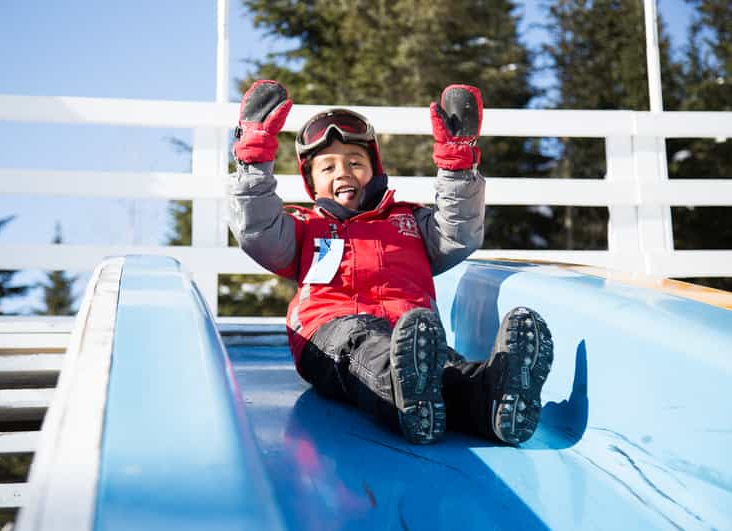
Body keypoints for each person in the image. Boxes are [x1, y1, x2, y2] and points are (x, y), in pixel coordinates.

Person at [229, 79, 553, 445]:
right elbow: (257, 232)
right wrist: (254, 161)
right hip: (328, 334)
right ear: (311, 184)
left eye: (355, 162)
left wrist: (457, 165)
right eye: (328, 168)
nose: (343, 173)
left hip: (413, 335)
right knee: (364, 346)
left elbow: (458, 233)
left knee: (446, 369)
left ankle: (493, 397)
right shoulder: (304, 227)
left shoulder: (410, 221)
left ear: (375, 170)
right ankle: (405, 398)